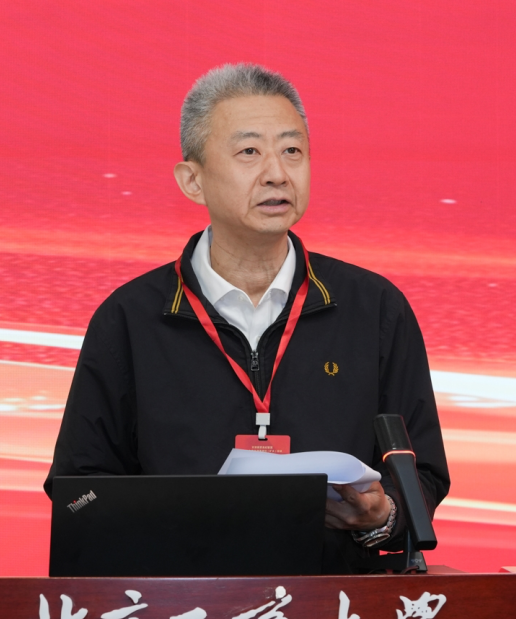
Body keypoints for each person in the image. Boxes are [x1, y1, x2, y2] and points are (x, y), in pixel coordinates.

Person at [45, 64, 449, 573]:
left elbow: (422, 473)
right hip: (182, 611)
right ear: (193, 180)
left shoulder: (375, 310)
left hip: (337, 612)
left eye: (292, 150)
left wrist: (382, 515)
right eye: (249, 152)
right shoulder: (129, 320)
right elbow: (79, 489)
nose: (277, 173)